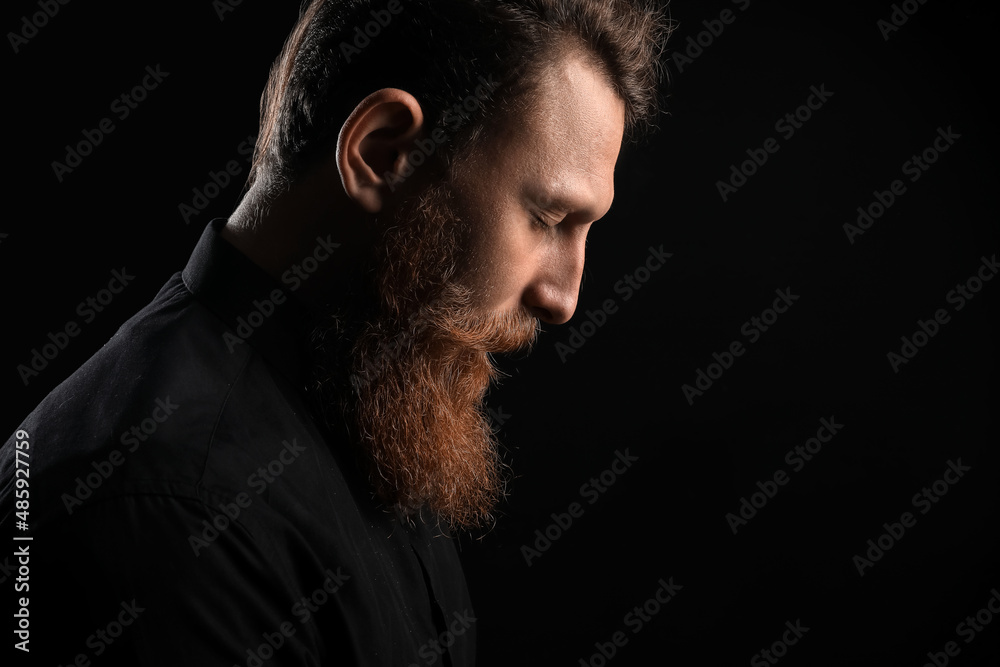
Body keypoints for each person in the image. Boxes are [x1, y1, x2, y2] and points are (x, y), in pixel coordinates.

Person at [1, 0, 669, 664]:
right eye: (548, 217)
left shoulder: (380, 397)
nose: (564, 298)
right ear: (381, 153)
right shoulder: (164, 514)